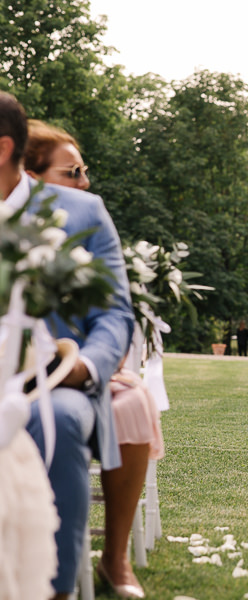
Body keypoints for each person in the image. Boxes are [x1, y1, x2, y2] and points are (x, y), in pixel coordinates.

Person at [0, 94, 135, 600]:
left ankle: (51, 588)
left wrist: (84, 366)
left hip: (55, 379)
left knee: (49, 417)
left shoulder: (80, 211)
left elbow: (114, 314)